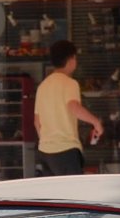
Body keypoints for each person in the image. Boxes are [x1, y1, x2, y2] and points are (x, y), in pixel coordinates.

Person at [34, 39, 103, 176]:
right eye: (75, 58)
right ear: (71, 59)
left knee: (55, 195)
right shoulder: (69, 83)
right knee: (72, 193)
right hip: (65, 149)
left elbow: (37, 121)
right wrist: (96, 122)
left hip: (45, 152)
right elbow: (74, 107)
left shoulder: (43, 86)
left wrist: (48, 142)